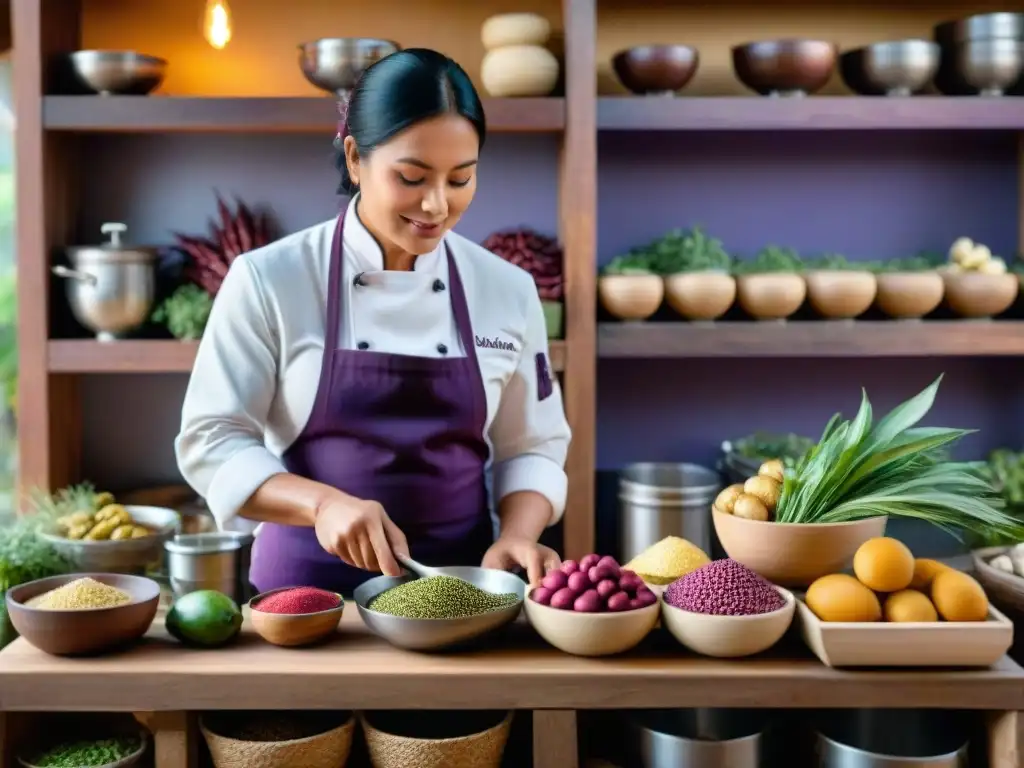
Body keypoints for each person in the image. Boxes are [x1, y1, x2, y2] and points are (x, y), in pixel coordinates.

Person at [175, 48, 571, 595]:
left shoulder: (506, 289)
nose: (436, 206)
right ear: (356, 157)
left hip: (463, 588)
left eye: (461, 180)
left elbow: (533, 444)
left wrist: (520, 534)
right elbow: (211, 440)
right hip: (309, 601)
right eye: (411, 177)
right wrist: (321, 504)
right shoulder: (270, 279)